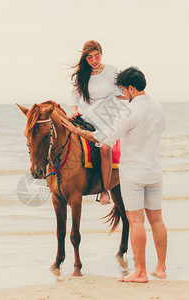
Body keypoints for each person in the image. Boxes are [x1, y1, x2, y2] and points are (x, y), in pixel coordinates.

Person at [61, 67, 167, 283]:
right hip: (155, 171)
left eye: (122, 89)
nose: (122, 93)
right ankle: (161, 268)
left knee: (136, 221)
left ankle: (140, 272)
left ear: (130, 88)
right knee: (156, 220)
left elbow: (105, 138)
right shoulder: (158, 108)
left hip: (134, 173)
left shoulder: (129, 111)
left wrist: (77, 131)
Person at [69, 40, 126, 205]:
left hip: (107, 118)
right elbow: (74, 98)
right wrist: (74, 111)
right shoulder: (81, 75)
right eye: (90, 57)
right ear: (85, 58)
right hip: (86, 117)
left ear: (101, 53)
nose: (94, 60)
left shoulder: (111, 71)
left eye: (97, 56)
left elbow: (120, 92)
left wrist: (133, 94)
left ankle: (104, 190)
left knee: (105, 149)